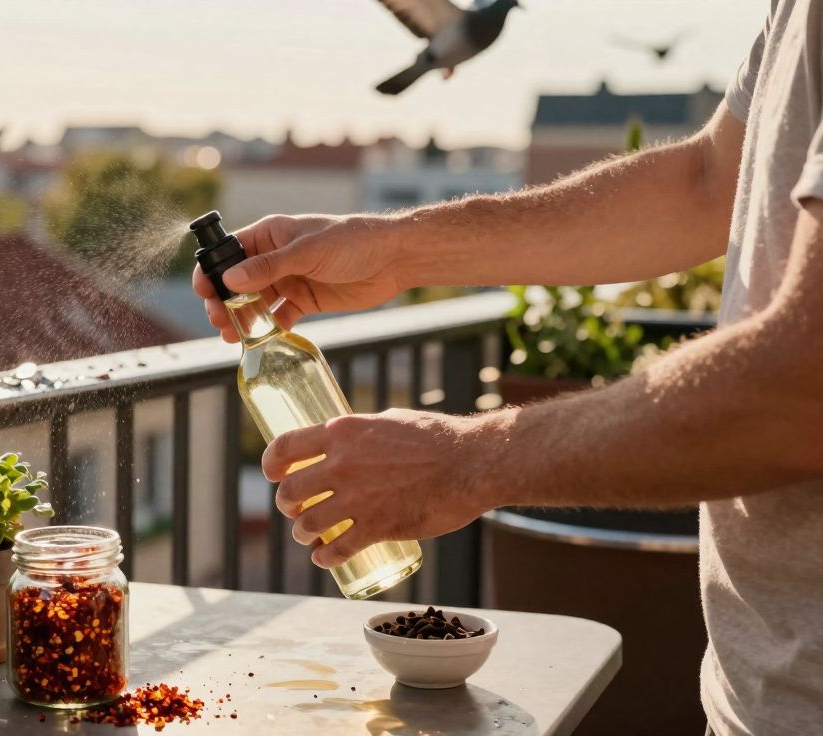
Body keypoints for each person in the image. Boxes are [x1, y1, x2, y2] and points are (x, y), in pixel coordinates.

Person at [193, 5, 822, 735]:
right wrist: (397, 249)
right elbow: (710, 182)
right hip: (754, 695)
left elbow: (800, 387)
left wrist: (467, 461)